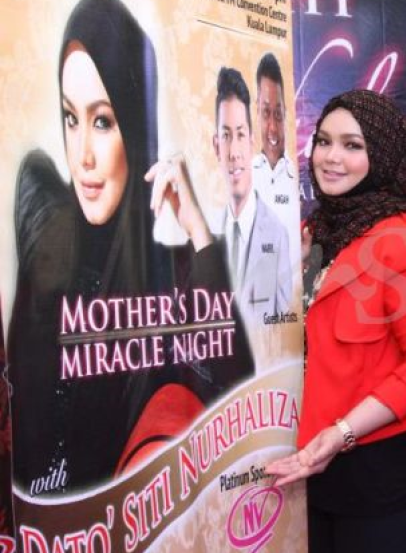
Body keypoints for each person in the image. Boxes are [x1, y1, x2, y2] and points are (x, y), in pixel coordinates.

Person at [8, 0, 252, 493]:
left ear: (135, 129)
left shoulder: (174, 275)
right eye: (70, 118)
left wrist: (198, 229)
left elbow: (237, 390)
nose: (83, 156)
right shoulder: (47, 250)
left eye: (102, 121)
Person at [265, 89, 406, 553]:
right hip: (321, 469)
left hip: (385, 476)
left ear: (382, 155)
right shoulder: (316, 233)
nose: (331, 157)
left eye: (352, 145)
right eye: (324, 141)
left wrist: (343, 432)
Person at [215, 66, 293, 322]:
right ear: (216, 146)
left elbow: (284, 326)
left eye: (240, 135)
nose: (233, 152)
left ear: (250, 142)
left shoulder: (277, 235)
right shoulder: (207, 232)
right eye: (226, 136)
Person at [252, 52, 300, 269]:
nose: (272, 127)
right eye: (265, 113)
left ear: (286, 114)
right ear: (256, 112)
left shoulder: (297, 176)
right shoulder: (244, 176)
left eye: (278, 115)